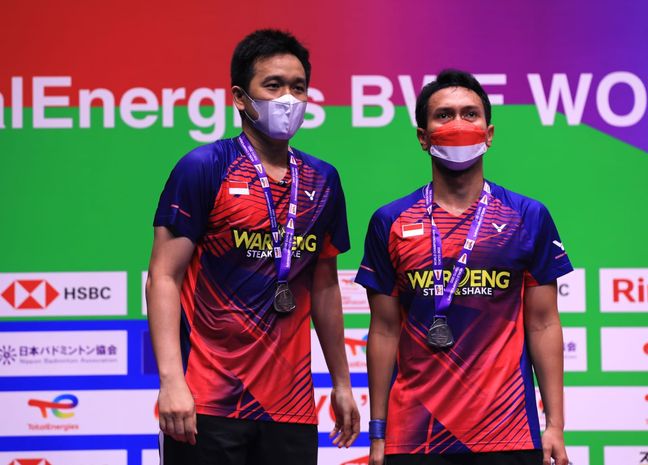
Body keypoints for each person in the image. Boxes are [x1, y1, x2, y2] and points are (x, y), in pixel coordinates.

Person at [146, 29, 360, 465]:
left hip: (291, 405)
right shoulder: (204, 167)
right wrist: (171, 381)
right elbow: (163, 277)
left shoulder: (323, 180)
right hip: (206, 400)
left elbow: (324, 287)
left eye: (298, 87)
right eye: (274, 85)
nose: (288, 98)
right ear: (241, 98)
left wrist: (341, 381)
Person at [355, 70, 572, 465]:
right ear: (423, 137)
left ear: (489, 133)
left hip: (508, 435)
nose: (458, 125)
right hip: (415, 436)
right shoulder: (390, 221)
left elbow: (543, 324)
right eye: (444, 115)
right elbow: (384, 331)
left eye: (470, 114)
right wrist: (378, 434)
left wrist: (554, 425)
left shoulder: (529, 216)